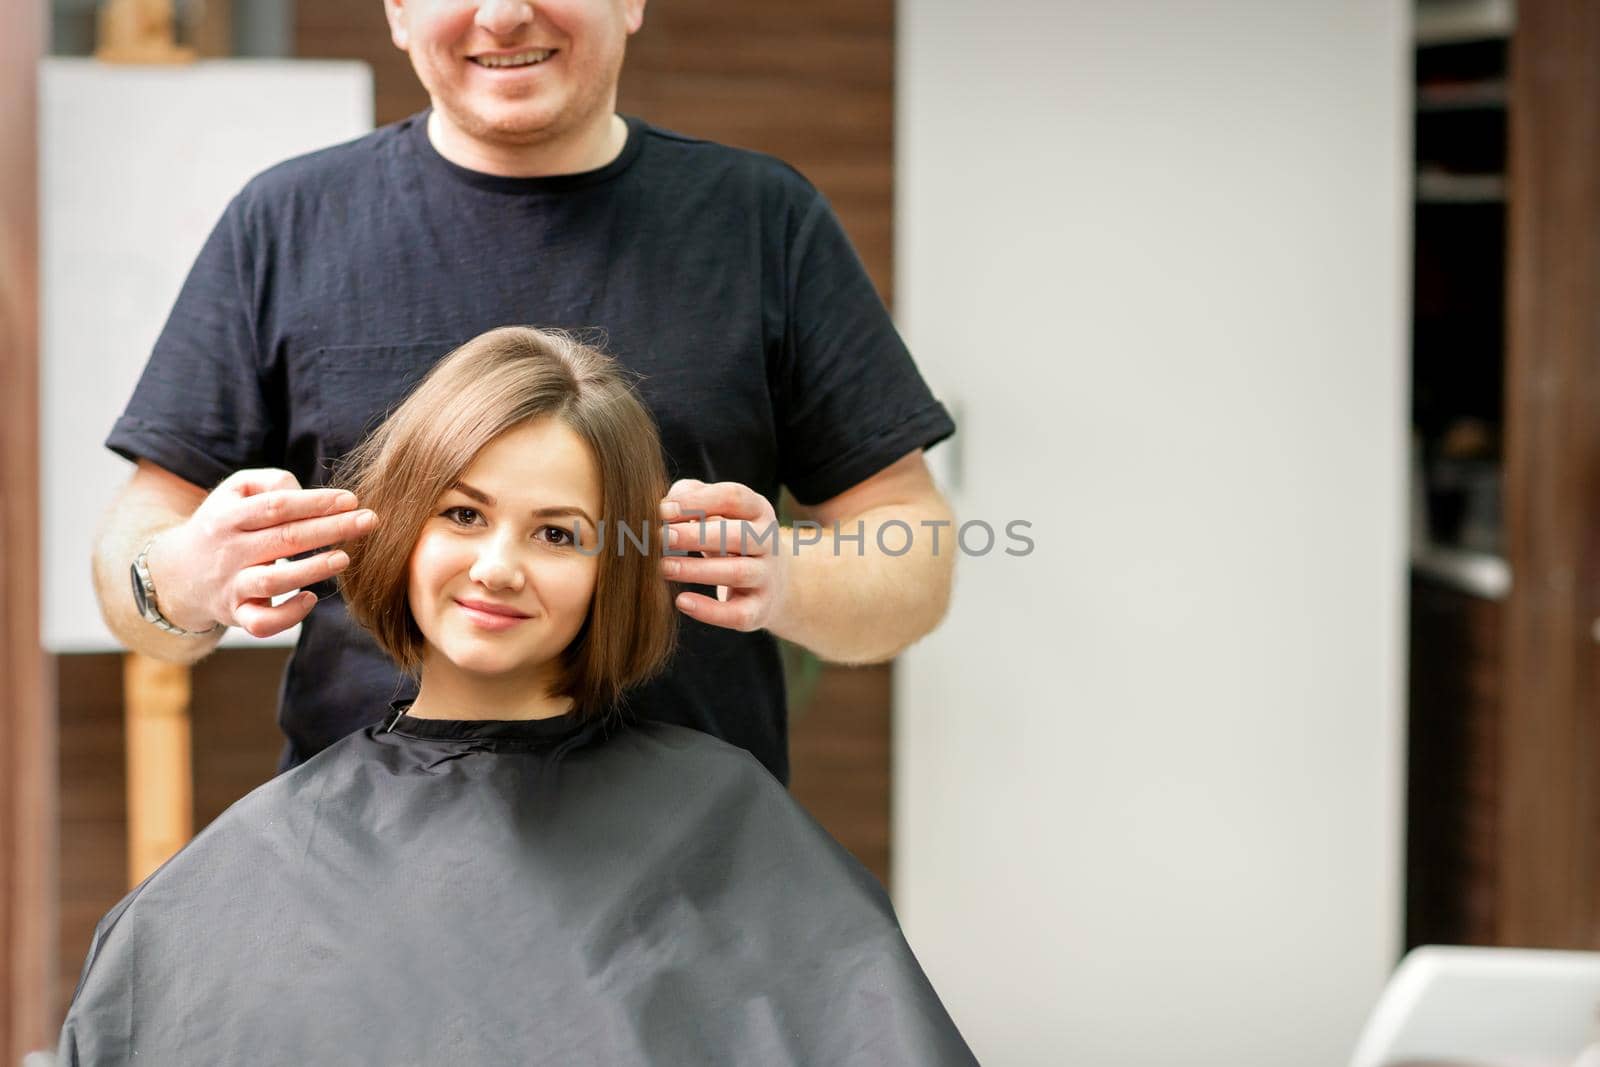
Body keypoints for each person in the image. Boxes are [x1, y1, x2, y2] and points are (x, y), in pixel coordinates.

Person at [90, 0, 957, 784]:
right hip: (361, 872)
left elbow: (914, 548)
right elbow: (135, 546)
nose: (502, 16)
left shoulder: (763, 223)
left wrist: (791, 581)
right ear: (397, 10)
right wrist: (177, 576)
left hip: (687, 879)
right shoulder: (284, 224)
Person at [59, 328, 978, 1066]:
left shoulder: (732, 838)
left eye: (557, 532)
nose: (497, 567)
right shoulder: (245, 878)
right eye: (462, 514)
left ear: (612, 571)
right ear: (402, 528)